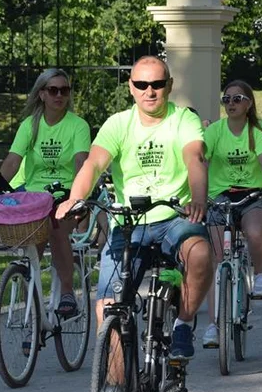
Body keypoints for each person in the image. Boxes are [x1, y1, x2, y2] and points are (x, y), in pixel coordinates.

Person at [56, 55, 212, 365]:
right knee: (108, 308)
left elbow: (194, 158)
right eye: (141, 84)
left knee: (201, 254)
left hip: (174, 217)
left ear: (169, 85)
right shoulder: (118, 124)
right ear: (131, 87)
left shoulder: (184, 119)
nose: (149, 91)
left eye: (156, 84)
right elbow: (94, 163)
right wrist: (76, 198)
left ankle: (183, 322)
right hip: (128, 223)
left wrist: (198, 199)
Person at [0, 68, 91, 317]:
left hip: (66, 193)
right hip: (34, 196)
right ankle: (33, 305)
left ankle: (68, 293)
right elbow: (12, 162)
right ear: (42, 94)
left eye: (64, 90)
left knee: (57, 227)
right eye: (53, 90)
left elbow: (81, 163)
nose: (59, 95)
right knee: (32, 242)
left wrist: (76, 198)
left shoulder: (78, 125)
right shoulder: (30, 125)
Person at [200, 80, 262, 348]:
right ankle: (213, 325)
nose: (231, 104)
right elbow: (202, 157)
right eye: (227, 99)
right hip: (220, 195)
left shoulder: (257, 132)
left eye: (237, 99)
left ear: (249, 103)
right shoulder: (215, 131)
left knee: (256, 232)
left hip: (251, 194)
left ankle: (259, 275)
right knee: (217, 261)